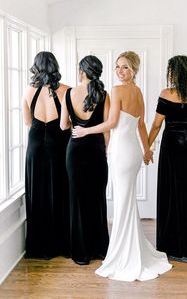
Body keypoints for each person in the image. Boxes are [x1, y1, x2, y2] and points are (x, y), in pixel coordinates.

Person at [72, 51, 172, 281]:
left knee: (122, 202)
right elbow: (141, 126)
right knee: (126, 202)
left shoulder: (116, 91)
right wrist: (146, 150)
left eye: (125, 67)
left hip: (121, 152)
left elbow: (112, 123)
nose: (119, 71)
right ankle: (130, 248)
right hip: (133, 152)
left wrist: (86, 130)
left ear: (134, 70)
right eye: (117, 66)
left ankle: (123, 255)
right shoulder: (138, 92)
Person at [147, 55, 187, 265]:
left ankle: (177, 248)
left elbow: (156, 125)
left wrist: (146, 145)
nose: (170, 74)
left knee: (172, 193)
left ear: (177, 73)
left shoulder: (167, 94)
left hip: (172, 146)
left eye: (171, 70)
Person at [60, 55, 110, 265]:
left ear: (82, 72)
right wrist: (105, 149)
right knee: (96, 198)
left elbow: (63, 126)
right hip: (96, 150)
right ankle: (99, 249)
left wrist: (75, 123)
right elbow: (108, 128)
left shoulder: (69, 93)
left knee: (77, 200)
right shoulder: (104, 95)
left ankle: (81, 253)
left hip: (75, 151)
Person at [22, 51, 71, 259]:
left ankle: (39, 246)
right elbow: (68, 123)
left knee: (38, 192)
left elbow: (27, 121)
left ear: (36, 66)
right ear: (55, 66)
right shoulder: (65, 90)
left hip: (35, 145)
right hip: (58, 144)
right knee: (59, 190)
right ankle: (59, 243)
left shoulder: (28, 90)